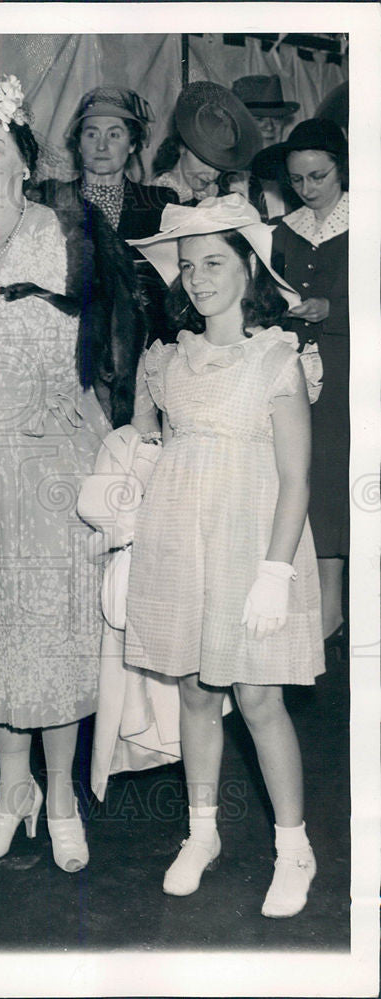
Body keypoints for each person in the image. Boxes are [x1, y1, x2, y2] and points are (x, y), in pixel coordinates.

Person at [0, 75, 147, 872]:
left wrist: (119, 450)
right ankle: (14, 795)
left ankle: (63, 799)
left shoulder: (69, 236)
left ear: (22, 157)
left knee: (49, 640)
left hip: (52, 471)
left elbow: (126, 345)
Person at [125, 194, 324, 918]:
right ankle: (200, 831)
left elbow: (296, 477)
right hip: (180, 541)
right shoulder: (167, 359)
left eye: (213, 262)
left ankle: (293, 846)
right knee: (194, 693)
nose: (199, 277)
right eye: (187, 266)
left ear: (247, 266)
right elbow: (146, 447)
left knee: (259, 697)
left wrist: (274, 574)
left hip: (251, 546)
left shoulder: (276, 357)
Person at [252, 119, 349, 647]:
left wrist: (333, 307)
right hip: (297, 367)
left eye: (319, 176)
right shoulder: (283, 230)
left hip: (350, 368)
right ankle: (318, 603)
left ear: (343, 168)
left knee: (336, 476)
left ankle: (333, 606)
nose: (308, 189)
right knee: (303, 474)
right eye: (297, 179)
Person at [34, 86, 178, 344]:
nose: (102, 145)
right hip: (65, 339)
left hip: (139, 345)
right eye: (91, 134)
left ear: (132, 144)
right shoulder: (50, 199)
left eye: (114, 134)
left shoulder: (159, 204)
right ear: (78, 144)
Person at [151, 82, 261, 206]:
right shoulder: (156, 198)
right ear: (182, 147)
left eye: (219, 167)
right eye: (205, 161)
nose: (212, 175)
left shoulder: (213, 196)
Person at [229, 75, 302, 219]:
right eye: (259, 119)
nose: (270, 126)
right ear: (238, 125)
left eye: (276, 119)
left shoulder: (295, 175)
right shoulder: (219, 176)